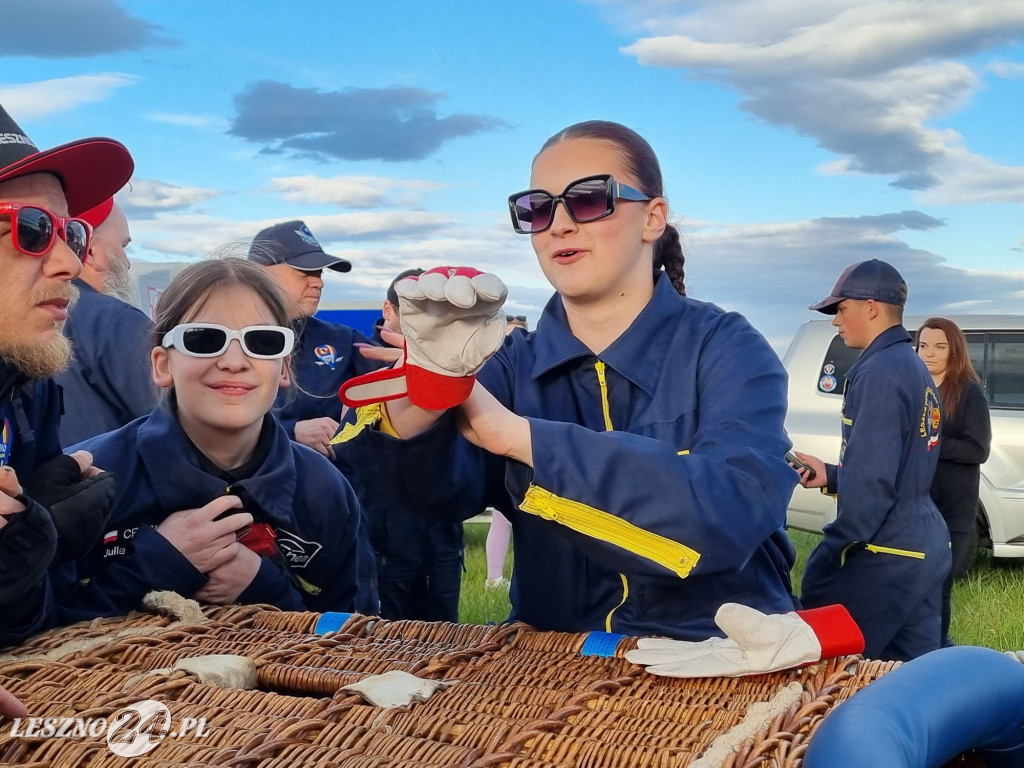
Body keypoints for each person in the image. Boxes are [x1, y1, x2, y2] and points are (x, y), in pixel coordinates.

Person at [333, 120, 799, 639]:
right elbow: (420, 495)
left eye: (588, 199)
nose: (558, 224)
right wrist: (434, 384)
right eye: (537, 207)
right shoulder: (510, 361)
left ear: (653, 217)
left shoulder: (725, 346)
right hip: (552, 673)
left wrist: (521, 438)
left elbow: (727, 515)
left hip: (716, 667)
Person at [63, 258, 370, 620]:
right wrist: (157, 564)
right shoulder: (89, 478)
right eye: (204, 339)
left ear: (285, 366)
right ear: (162, 365)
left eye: (263, 341)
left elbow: (351, 631)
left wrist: (265, 586)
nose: (234, 361)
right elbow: (33, 635)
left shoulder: (325, 491)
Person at [0, 102, 131, 646]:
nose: (70, 263)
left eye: (72, 233)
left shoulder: (24, 389)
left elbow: (29, 635)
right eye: (33, 229)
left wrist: (33, 557)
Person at [793, 259, 951, 661]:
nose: (836, 321)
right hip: (922, 545)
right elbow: (899, 467)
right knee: (917, 674)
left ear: (872, 308)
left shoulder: (879, 372)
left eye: (841, 309)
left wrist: (832, 554)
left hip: (887, 552)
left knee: (835, 671)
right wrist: (830, 475)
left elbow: (873, 487)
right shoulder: (910, 366)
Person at [354, 267, 465, 621]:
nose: (426, 322)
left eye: (436, 311)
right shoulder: (358, 358)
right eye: (414, 310)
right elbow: (344, 447)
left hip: (444, 531)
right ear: (390, 310)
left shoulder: (460, 362)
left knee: (445, 637)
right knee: (386, 639)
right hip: (383, 535)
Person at [247, 220, 385, 458]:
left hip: (329, 487)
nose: (319, 282)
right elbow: (195, 420)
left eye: (319, 272)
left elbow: (395, 385)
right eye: (304, 271)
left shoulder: (341, 339)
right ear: (260, 273)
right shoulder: (216, 342)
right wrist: (291, 431)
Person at [56, 197, 157, 445]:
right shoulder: (116, 320)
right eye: (123, 246)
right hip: (109, 479)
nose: (127, 261)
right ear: (89, 251)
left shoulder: (28, 320)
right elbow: (175, 421)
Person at [917, 317, 991, 646]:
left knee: (940, 584)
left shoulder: (968, 392)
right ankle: (912, 651)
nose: (929, 353)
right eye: (923, 345)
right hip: (916, 505)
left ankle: (936, 649)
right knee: (914, 583)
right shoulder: (914, 388)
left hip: (952, 509)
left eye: (940, 346)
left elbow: (978, 449)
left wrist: (929, 442)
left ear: (954, 351)